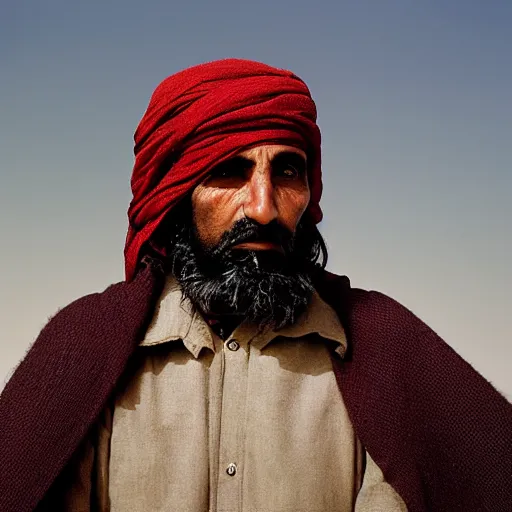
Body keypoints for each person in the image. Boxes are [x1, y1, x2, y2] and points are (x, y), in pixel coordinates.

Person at [0, 59, 510, 512]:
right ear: (175, 194)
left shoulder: (381, 352)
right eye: (230, 171)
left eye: (287, 171)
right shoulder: (88, 350)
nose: (264, 207)